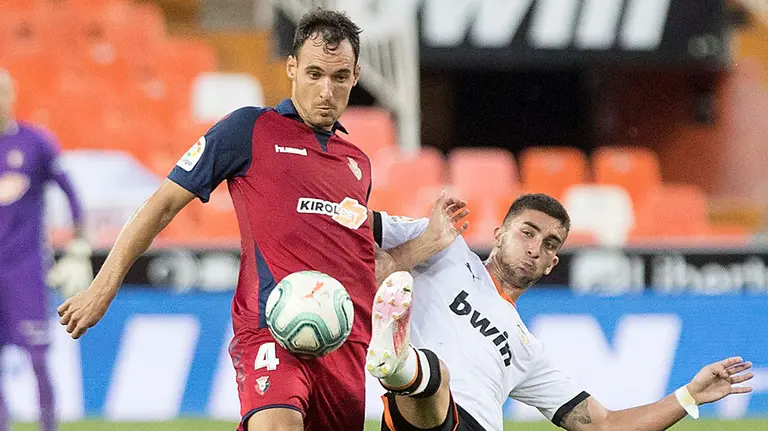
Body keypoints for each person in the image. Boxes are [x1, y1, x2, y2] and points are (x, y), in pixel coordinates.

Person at [55, 9, 469, 431]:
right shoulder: (249, 129)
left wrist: (429, 242)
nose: (326, 90)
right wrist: (103, 285)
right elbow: (162, 204)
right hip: (271, 329)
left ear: (356, 75)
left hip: (344, 348)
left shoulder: (356, 164)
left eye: (339, 77)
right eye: (314, 74)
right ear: (291, 68)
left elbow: (363, 264)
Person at [368, 193, 754, 431]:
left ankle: (401, 364)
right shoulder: (447, 250)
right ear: (500, 234)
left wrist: (688, 396)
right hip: (426, 412)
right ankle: (400, 365)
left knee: (429, 377)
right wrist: (429, 242)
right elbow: (349, 245)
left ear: (552, 263)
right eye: (528, 232)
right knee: (434, 377)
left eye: (550, 243)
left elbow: (602, 424)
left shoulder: (527, 350)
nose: (536, 248)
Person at [0, 68, 90, 431]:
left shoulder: (35, 142)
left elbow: (71, 193)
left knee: (37, 358)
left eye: (3, 91)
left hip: (25, 270)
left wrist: (79, 246)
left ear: (12, 95)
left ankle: (48, 427)